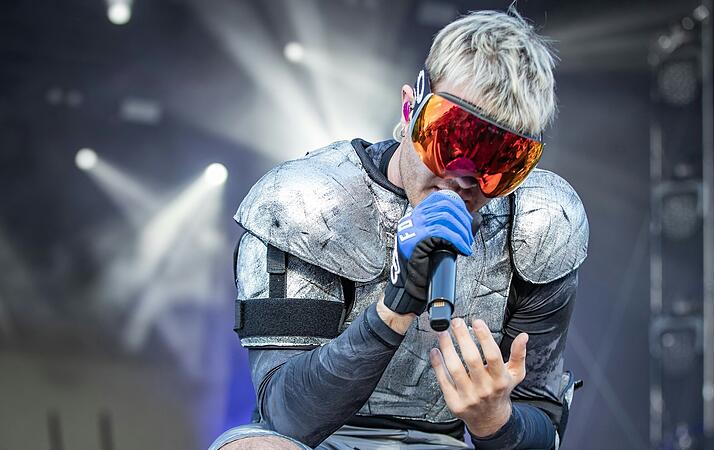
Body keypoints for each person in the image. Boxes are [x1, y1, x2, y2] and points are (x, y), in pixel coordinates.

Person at [213, 6, 588, 450]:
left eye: (499, 163)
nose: (464, 178)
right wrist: (395, 306)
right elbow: (284, 415)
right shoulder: (306, 203)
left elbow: (544, 425)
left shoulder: (540, 222)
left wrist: (497, 422)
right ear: (411, 107)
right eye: (451, 141)